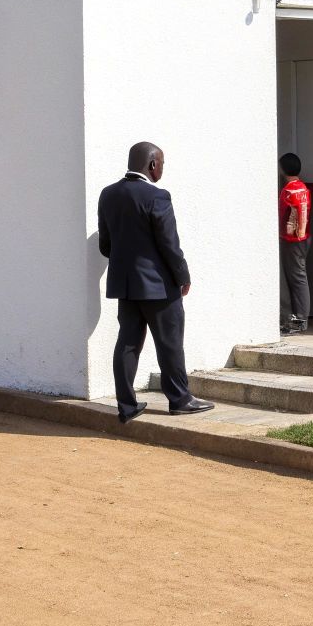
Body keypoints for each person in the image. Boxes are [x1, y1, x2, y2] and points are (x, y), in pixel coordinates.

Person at [97, 141, 215, 421]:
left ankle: (126, 406)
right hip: (159, 287)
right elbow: (169, 244)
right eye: (161, 163)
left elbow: (105, 246)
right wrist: (183, 275)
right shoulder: (157, 196)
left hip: (125, 286)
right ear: (152, 165)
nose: (162, 168)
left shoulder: (108, 194)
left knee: (127, 344)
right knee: (170, 343)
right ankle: (180, 400)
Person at [278, 152, 312, 336]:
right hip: (304, 237)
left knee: (296, 280)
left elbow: (282, 214)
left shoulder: (288, 190)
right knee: (299, 278)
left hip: (291, 240)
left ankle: (298, 321)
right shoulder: (303, 188)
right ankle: (299, 320)